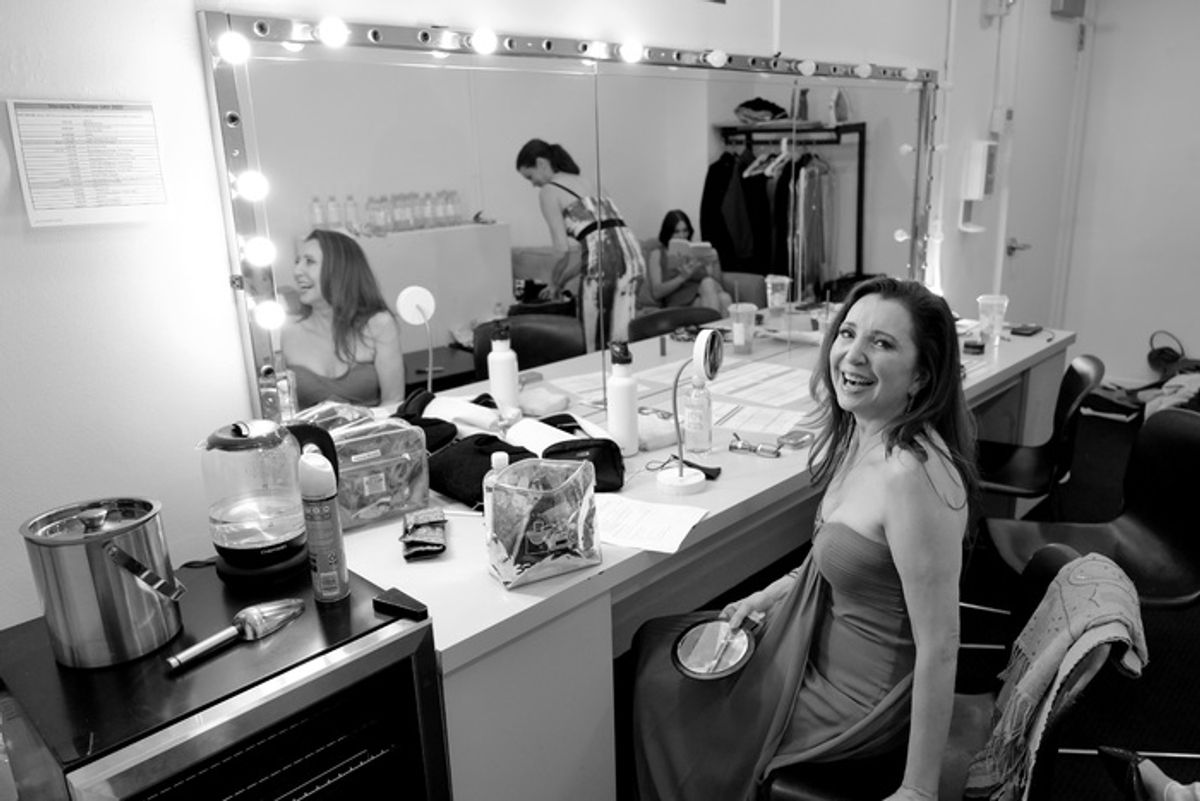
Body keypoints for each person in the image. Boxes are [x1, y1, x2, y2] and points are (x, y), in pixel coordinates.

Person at [632, 276, 979, 801]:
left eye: (882, 344)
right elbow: (843, 557)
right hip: (822, 647)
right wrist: (768, 596)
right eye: (848, 334)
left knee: (661, 680)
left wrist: (919, 788)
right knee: (661, 639)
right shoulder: (866, 434)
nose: (853, 355)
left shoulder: (910, 475)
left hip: (856, 701)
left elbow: (941, 644)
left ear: (921, 376)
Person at [515, 138, 645, 351]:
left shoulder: (549, 190)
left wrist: (553, 283)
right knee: (622, 343)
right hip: (633, 256)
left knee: (593, 344)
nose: (533, 184)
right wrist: (564, 278)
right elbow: (600, 247)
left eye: (530, 176)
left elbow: (561, 250)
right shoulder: (590, 181)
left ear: (541, 163)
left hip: (606, 263)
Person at [281, 229, 405, 409]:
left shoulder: (379, 324)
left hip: (372, 433)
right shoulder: (284, 330)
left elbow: (393, 402)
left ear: (339, 269)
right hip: (310, 437)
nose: (297, 271)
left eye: (309, 262)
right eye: (297, 262)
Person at [644, 209, 732, 315]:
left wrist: (716, 261)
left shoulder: (695, 250)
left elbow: (718, 283)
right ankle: (714, 330)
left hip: (703, 294)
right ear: (668, 232)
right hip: (678, 300)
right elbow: (656, 292)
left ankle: (712, 331)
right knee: (712, 288)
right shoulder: (657, 253)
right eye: (677, 231)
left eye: (685, 230)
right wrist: (682, 277)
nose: (682, 236)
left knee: (724, 297)